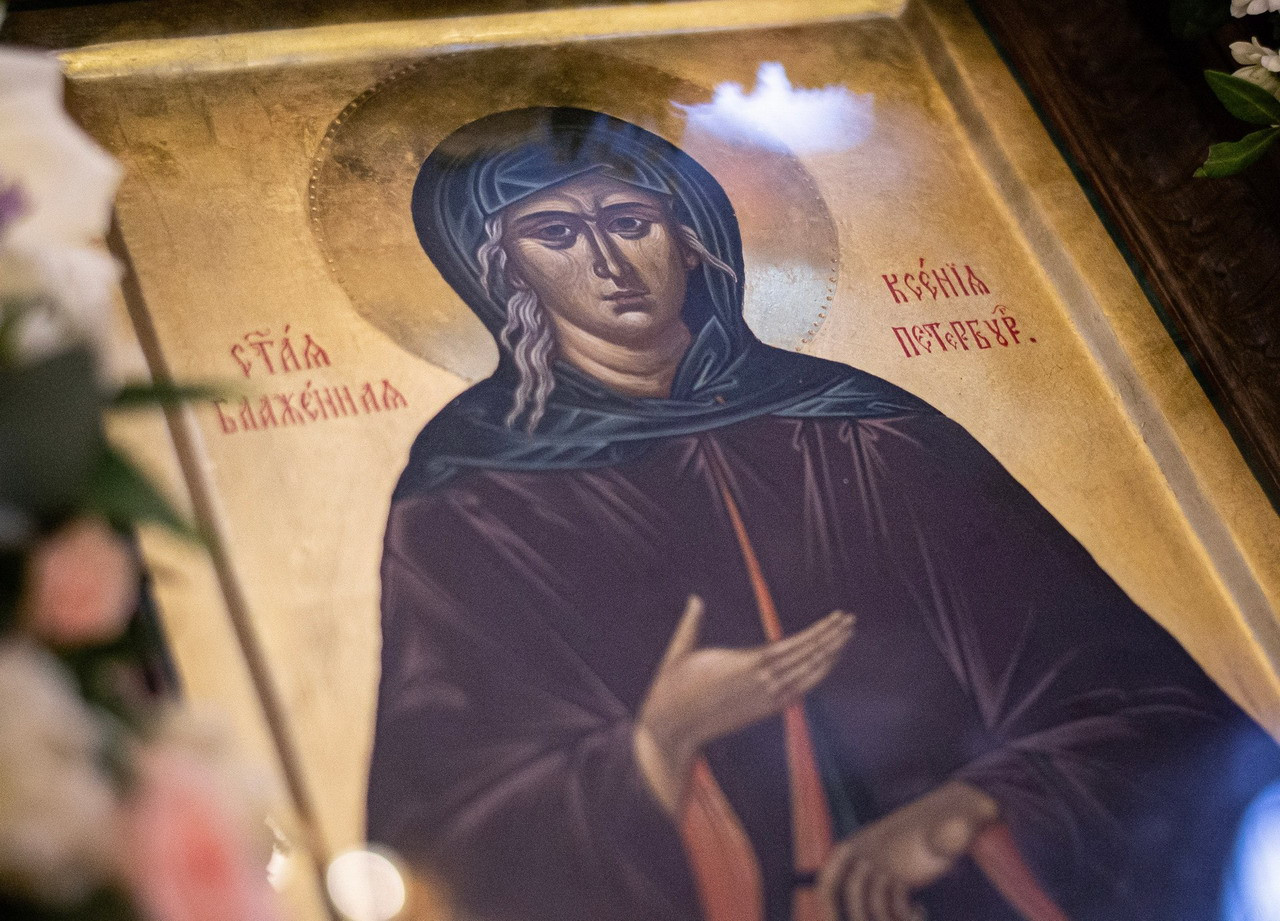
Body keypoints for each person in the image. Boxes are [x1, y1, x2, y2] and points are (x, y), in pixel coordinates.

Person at [367, 106, 1277, 921]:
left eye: (630, 222)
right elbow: (441, 820)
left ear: (690, 237)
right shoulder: (471, 493)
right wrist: (658, 741)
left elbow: (1137, 696)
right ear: (502, 271)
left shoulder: (865, 431)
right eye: (555, 234)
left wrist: (977, 801)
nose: (607, 263)